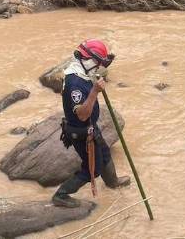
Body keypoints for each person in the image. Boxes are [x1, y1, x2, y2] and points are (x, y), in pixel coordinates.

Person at [52, 39, 131, 208]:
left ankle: (112, 182)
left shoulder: (82, 71)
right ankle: (61, 195)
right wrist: (95, 91)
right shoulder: (75, 83)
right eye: (97, 63)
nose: (98, 67)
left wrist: (106, 62)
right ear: (87, 60)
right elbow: (81, 114)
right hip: (81, 132)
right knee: (92, 170)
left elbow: (98, 69)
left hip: (90, 128)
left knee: (105, 153)